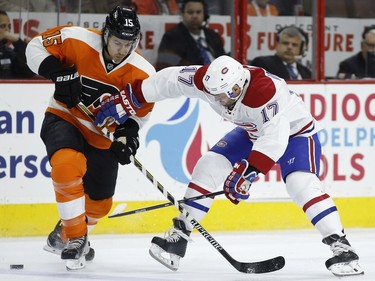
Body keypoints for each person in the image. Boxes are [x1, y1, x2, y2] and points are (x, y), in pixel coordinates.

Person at [95, 55, 364, 277]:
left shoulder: (264, 92)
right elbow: (170, 80)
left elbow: (275, 138)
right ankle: (180, 236)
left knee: (300, 185)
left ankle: (342, 248)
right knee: (209, 165)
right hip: (253, 132)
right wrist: (132, 99)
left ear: (239, 85)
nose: (220, 101)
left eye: (226, 95)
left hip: (295, 134)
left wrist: (249, 171)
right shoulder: (209, 81)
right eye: (216, 95)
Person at [25, 6, 155, 270]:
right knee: (66, 165)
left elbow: (139, 113)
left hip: (102, 136)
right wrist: (56, 71)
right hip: (65, 117)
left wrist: (127, 136)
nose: (121, 49)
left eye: (128, 44)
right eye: (117, 42)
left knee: (99, 205)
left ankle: (63, 235)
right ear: (106, 34)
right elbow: (34, 48)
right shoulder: (76, 38)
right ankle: (76, 238)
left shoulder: (143, 72)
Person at [154, 0, 226, 71]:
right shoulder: (171, 37)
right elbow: (165, 69)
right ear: (182, 14)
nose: (194, 16)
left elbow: (224, 62)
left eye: (198, 12)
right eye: (190, 12)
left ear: (205, 15)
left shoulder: (213, 36)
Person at [0, 10, 35, 78]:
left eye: (9, 26)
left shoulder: (8, 53)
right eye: (3, 26)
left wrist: (17, 42)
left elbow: (30, 73)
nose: (7, 30)